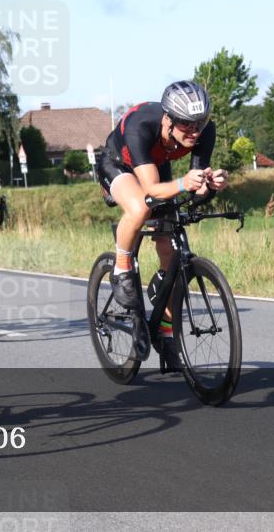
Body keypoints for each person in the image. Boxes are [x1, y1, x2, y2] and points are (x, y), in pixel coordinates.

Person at [96, 80, 230, 368]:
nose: (195, 132)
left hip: (157, 166)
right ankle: (121, 270)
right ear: (168, 120)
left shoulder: (203, 133)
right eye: (187, 125)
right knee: (139, 207)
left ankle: (166, 334)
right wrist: (182, 183)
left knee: (170, 252)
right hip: (118, 164)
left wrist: (210, 184)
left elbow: (195, 188)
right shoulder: (140, 125)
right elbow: (150, 189)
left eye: (200, 123)